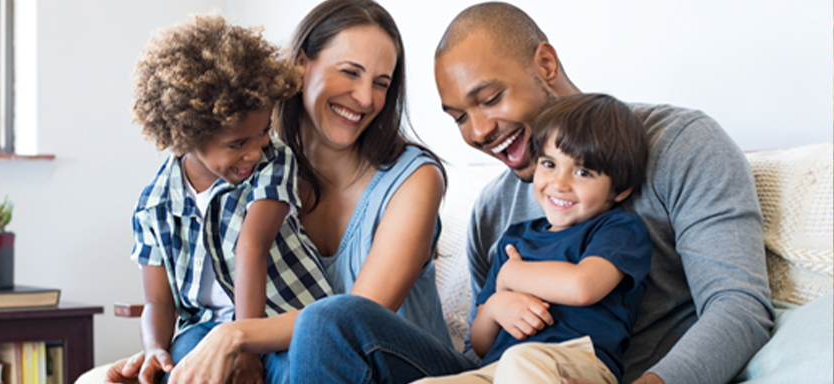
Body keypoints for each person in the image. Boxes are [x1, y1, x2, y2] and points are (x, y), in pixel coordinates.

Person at [291, 2, 774, 384]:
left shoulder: (681, 143)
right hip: (499, 372)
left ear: (545, 63)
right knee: (329, 321)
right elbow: (483, 346)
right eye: (458, 117)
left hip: (607, 371)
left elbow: (739, 307)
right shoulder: (493, 208)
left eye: (490, 98)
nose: (478, 131)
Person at [107, 1, 474, 383]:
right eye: (350, 72)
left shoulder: (414, 178)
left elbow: (356, 315)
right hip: (308, 362)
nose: (365, 98)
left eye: (381, 83)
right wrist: (166, 353)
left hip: (398, 366)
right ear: (300, 64)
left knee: (323, 321)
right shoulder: (249, 169)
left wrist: (235, 335)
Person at [127, 14, 333, 384]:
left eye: (263, 132)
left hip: (281, 317)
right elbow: (158, 301)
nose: (254, 152)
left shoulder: (274, 161)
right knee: (181, 367)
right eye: (237, 144)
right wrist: (155, 347)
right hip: (204, 325)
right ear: (188, 136)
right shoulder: (154, 206)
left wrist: (245, 348)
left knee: (293, 369)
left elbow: (250, 247)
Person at [421, 93, 652, 384]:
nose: (559, 183)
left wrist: (511, 275)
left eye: (583, 171)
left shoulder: (618, 229)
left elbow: (582, 286)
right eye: (549, 164)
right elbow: (480, 344)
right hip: (499, 368)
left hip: (576, 362)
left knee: (522, 363)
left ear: (620, 190)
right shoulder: (515, 240)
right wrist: (494, 308)